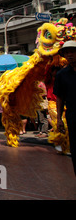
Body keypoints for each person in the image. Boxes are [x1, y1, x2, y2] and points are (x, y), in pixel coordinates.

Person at [54, 40, 76, 176]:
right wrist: (59, 119)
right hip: (73, 116)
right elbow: (60, 97)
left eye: (72, 52)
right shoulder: (62, 74)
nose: (69, 55)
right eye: (66, 52)